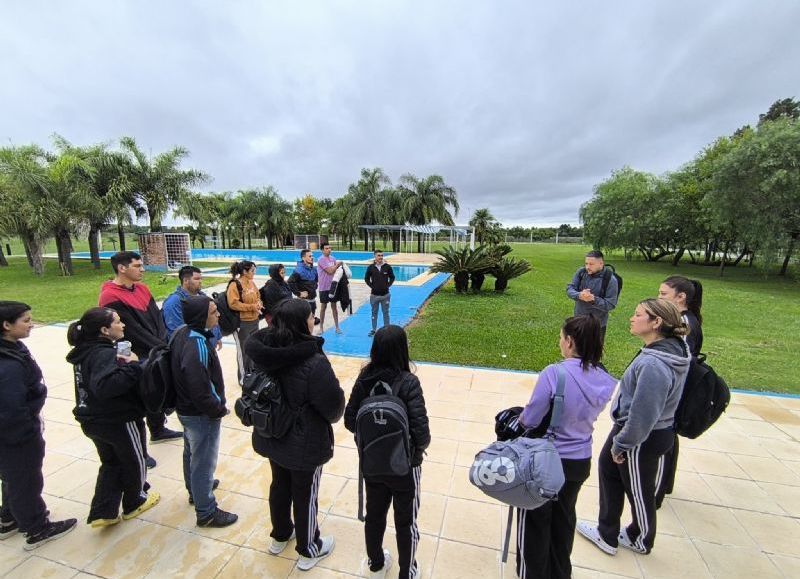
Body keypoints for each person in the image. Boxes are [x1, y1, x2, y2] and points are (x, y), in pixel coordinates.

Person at [577, 299, 690, 556]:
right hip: (632, 430)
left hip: (642, 436)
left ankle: (640, 538)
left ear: (656, 322)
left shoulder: (654, 365)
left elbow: (644, 413)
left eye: (638, 315)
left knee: (639, 490)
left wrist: (623, 443)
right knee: (608, 470)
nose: (632, 318)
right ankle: (607, 533)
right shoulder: (667, 349)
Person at [244, 299, 345, 571]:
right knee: (305, 494)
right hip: (304, 442)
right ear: (302, 323)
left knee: (279, 484)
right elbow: (334, 408)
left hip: (272, 434)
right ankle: (309, 548)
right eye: (311, 316)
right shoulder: (313, 361)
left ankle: (280, 535)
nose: (314, 320)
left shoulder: (262, 352)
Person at [516, 316, 616, 579]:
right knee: (564, 517)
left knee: (535, 519)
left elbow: (530, 418)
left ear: (570, 342)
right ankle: (560, 572)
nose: (559, 342)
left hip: (547, 460)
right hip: (579, 459)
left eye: (561, 338)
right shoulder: (605, 379)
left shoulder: (554, 373)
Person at [344, 325, 430, 579]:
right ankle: (407, 571)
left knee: (374, 516)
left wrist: (374, 437)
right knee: (406, 522)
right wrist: (412, 450)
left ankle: (376, 564)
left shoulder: (364, 379)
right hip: (405, 466)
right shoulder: (409, 383)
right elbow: (422, 435)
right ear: (402, 350)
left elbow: (350, 421)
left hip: (372, 464)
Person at [66, 307, 160, 528]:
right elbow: (106, 386)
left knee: (111, 463)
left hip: (91, 419)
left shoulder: (84, 352)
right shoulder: (103, 354)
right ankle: (135, 501)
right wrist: (134, 366)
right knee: (135, 459)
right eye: (117, 322)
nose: (123, 324)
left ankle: (103, 511)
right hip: (117, 419)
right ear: (104, 330)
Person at [0, 301, 77, 550]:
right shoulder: (7, 366)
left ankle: (9, 517)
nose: (31, 324)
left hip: (15, 432)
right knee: (25, 480)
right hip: (16, 435)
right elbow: (11, 409)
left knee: (13, 477)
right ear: (6, 325)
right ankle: (36, 528)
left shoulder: (13, 348)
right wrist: (27, 433)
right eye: (26, 320)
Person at [99, 251, 182, 457]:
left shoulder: (142, 288)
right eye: (137, 266)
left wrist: (162, 343)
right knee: (137, 397)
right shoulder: (110, 295)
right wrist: (159, 347)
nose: (142, 269)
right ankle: (140, 452)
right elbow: (130, 331)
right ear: (122, 268)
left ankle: (158, 429)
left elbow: (157, 317)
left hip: (155, 347)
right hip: (131, 350)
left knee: (157, 389)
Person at [171, 295, 237, 527]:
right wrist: (217, 409)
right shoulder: (196, 344)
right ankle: (206, 511)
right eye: (213, 312)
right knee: (203, 462)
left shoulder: (182, 333)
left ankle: (195, 490)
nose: (218, 315)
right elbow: (200, 387)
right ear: (201, 316)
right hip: (200, 414)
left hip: (186, 409)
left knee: (191, 452)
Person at [655, 275, 704, 508]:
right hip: (676, 387)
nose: (659, 298)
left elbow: (678, 359)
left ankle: (657, 489)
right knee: (668, 434)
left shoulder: (684, 324)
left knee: (664, 434)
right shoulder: (685, 320)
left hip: (675, 388)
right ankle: (664, 483)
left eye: (663, 294)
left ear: (681, 297)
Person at [162, 265, 222, 349]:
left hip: (208, 347)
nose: (200, 281)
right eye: (196, 279)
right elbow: (176, 332)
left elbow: (212, 317)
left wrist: (217, 336)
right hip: (193, 349)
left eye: (201, 278)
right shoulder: (174, 302)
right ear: (185, 281)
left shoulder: (202, 296)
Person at [566, 250, 619, 343]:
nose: (587, 267)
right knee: (577, 348)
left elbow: (611, 304)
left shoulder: (611, 280)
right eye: (586, 263)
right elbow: (570, 289)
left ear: (601, 263)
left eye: (591, 264)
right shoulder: (581, 272)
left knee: (594, 351)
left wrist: (593, 299)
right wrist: (579, 295)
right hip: (579, 320)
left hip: (597, 325)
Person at [226, 260, 262, 385]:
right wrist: (252, 307)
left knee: (253, 348)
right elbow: (233, 303)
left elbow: (258, 296)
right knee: (243, 351)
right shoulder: (235, 285)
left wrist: (259, 303)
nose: (254, 273)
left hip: (254, 320)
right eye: (252, 270)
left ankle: (252, 372)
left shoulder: (251, 283)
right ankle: (243, 378)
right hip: (242, 323)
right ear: (244, 272)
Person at [364, 250, 395, 337]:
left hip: (385, 295)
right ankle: (374, 330)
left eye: (382, 255)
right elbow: (366, 278)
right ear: (374, 256)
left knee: (386, 312)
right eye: (378, 255)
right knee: (374, 313)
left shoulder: (387, 267)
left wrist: (388, 285)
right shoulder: (371, 267)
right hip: (374, 295)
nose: (380, 257)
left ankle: (387, 330)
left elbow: (392, 277)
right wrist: (372, 286)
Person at [287, 249, 319, 326]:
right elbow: (290, 282)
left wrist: (314, 286)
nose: (312, 258)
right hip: (303, 302)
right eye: (310, 256)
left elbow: (316, 280)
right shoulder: (299, 270)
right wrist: (299, 293)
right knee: (303, 324)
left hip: (312, 300)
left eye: (312, 256)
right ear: (303, 258)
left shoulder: (314, 269)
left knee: (311, 323)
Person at [317, 244, 343, 334]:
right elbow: (330, 271)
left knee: (334, 307)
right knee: (323, 307)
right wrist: (337, 265)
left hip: (332, 286)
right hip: (324, 287)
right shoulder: (321, 260)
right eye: (326, 248)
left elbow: (336, 272)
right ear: (322, 250)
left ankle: (337, 327)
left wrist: (337, 266)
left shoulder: (333, 259)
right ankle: (321, 328)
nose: (329, 250)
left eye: (329, 248)